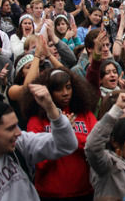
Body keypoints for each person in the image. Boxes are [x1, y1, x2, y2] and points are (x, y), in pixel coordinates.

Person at [25, 67, 97, 200]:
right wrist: (61, 135)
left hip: (84, 191)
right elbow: (38, 160)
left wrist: (68, 134)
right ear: (49, 92)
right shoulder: (37, 120)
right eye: (59, 89)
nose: (65, 93)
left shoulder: (85, 114)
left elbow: (95, 145)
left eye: (68, 87)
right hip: (50, 193)